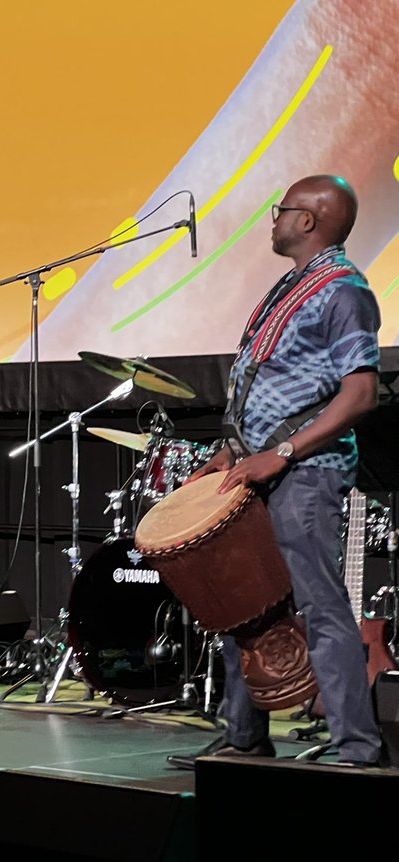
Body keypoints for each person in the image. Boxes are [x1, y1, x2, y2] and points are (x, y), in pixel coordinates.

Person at [167, 175, 385, 769]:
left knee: (318, 607)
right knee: (248, 604)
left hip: (306, 474)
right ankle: (242, 735)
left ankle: (357, 746)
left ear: (309, 221)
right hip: (261, 470)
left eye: (281, 210)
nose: (274, 219)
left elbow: (360, 393)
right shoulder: (293, 288)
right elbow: (265, 384)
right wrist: (231, 449)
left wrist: (283, 453)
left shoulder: (343, 291)